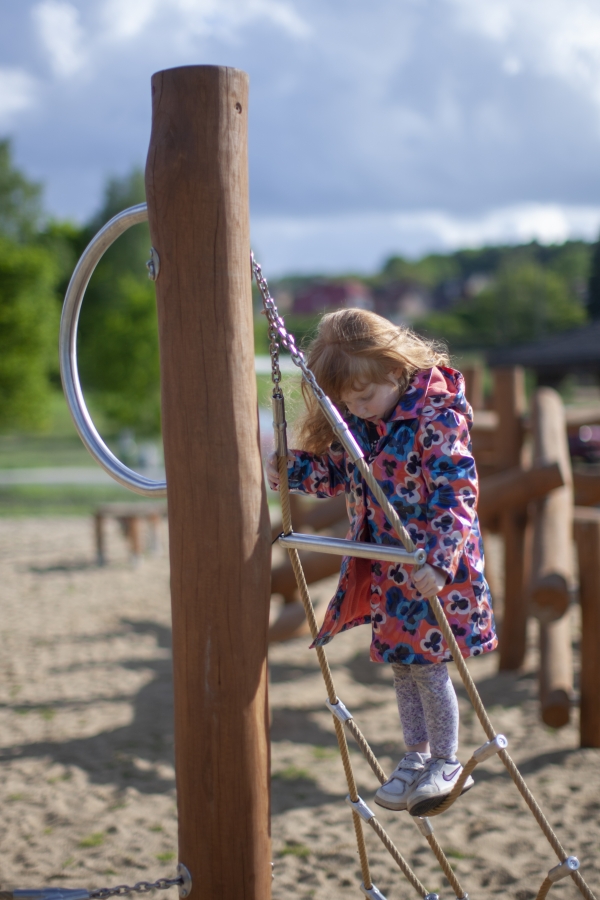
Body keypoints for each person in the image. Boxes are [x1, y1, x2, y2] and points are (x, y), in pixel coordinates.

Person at [267, 308, 497, 817]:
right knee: (403, 668)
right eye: (347, 402)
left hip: (433, 568)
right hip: (388, 570)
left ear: (394, 369)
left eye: (364, 396)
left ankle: (447, 761)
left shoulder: (436, 416)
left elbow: (457, 492)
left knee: (429, 668)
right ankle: (415, 757)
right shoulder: (364, 422)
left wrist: (439, 560)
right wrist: (292, 468)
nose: (357, 408)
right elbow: (340, 473)